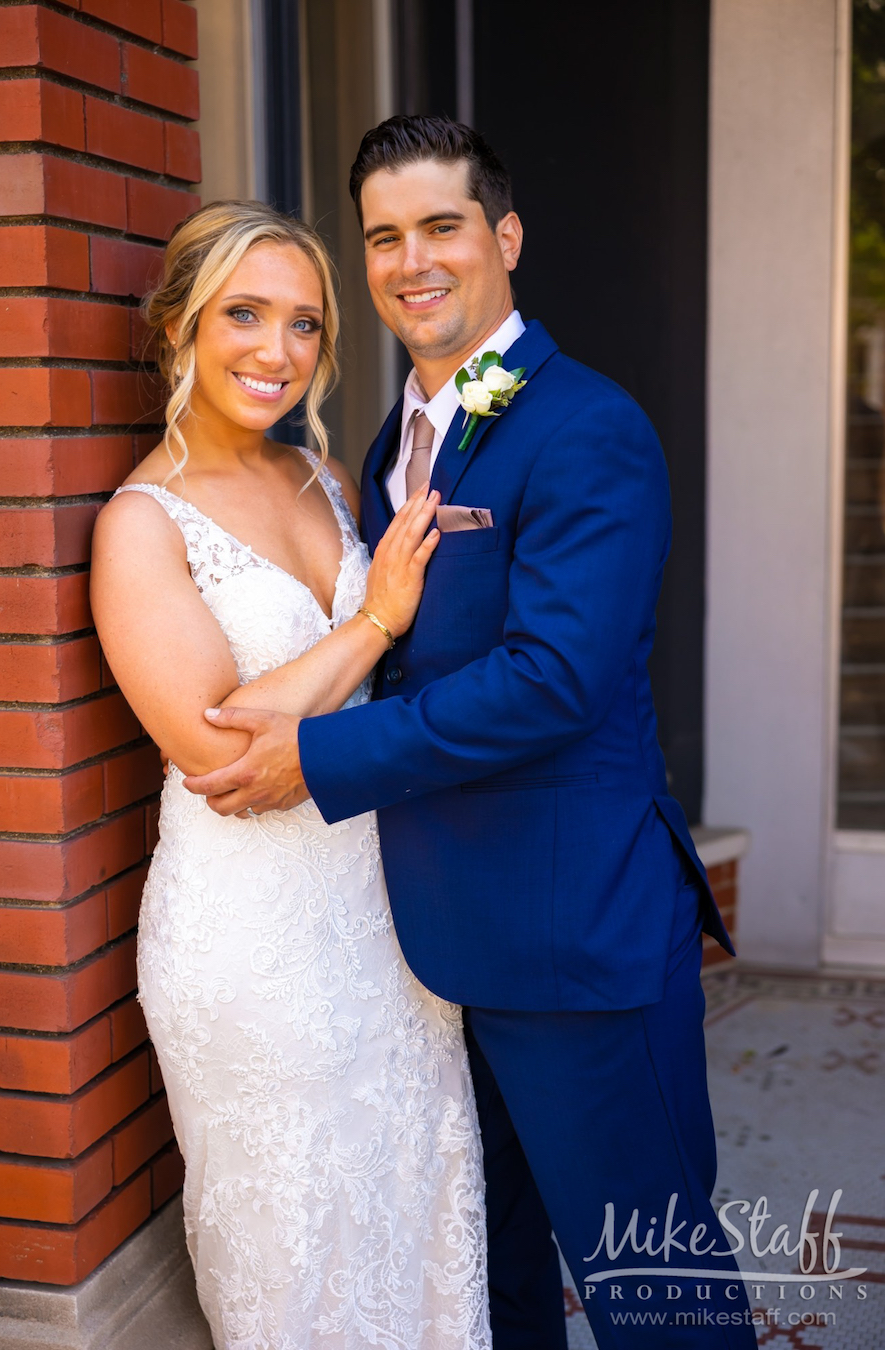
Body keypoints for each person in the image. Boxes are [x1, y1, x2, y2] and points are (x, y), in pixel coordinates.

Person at [184, 120, 760, 1349]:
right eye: (384, 236)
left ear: (503, 237)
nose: (411, 261)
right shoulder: (400, 437)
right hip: (433, 953)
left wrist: (319, 758)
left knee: (657, 1295)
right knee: (496, 1282)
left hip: (575, 935)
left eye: (442, 227)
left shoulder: (588, 426)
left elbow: (552, 678)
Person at [90, 200, 491, 1350]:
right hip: (249, 946)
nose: (277, 351)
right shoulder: (140, 526)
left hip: (380, 916)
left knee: (412, 1203)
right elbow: (220, 752)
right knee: (295, 1252)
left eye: (305, 324)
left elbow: (356, 697)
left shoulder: (325, 477)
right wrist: (372, 619)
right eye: (245, 315)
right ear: (180, 326)